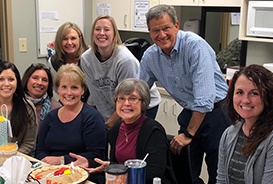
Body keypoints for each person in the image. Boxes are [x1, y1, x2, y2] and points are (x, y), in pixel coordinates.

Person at [138, 4, 230, 184]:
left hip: (218, 114)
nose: (162, 34)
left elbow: (204, 100)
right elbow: (139, 90)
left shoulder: (195, 46)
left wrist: (188, 134)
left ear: (176, 26)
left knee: (218, 173)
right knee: (183, 173)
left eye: (166, 28)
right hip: (190, 112)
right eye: (156, 30)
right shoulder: (150, 56)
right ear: (149, 32)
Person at [70, 78, 177, 184]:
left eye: (133, 98)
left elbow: (152, 174)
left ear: (143, 103)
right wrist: (89, 162)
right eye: (121, 98)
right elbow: (115, 165)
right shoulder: (115, 130)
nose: (126, 103)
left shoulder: (153, 131)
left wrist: (115, 170)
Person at [80, 15, 161, 128]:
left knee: (133, 140)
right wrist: (107, 122)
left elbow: (130, 97)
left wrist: (113, 122)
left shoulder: (125, 60)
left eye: (107, 29)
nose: (101, 33)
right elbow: (97, 95)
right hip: (116, 102)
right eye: (97, 29)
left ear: (114, 35)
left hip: (142, 103)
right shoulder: (86, 59)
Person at [35, 64, 106, 183]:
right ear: (58, 89)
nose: (69, 93)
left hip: (82, 176)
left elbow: (96, 156)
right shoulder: (50, 117)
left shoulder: (92, 117)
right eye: (64, 87)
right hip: (50, 175)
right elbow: (40, 150)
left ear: (83, 90)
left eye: (74, 87)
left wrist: (62, 160)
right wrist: (49, 166)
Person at [217, 64, 273, 184]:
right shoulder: (229, 134)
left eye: (254, 93)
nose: (245, 100)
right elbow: (221, 180)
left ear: (268, 97)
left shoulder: (271, 139)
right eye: (239, 92)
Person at [0, 61, 37, 155]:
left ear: (17, 82)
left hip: (17, 160)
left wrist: (11, 159)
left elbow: (29, 143)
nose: (6, 84)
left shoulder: (27, 107)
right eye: (1, 79)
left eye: (11, 79)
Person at [47, 22, 89, 101]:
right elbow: (57, 89)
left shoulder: (90, 58)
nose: (69, 42)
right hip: (66, 103)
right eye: (65, 39)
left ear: (80, 39)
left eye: (73, 38)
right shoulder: (53, 62)